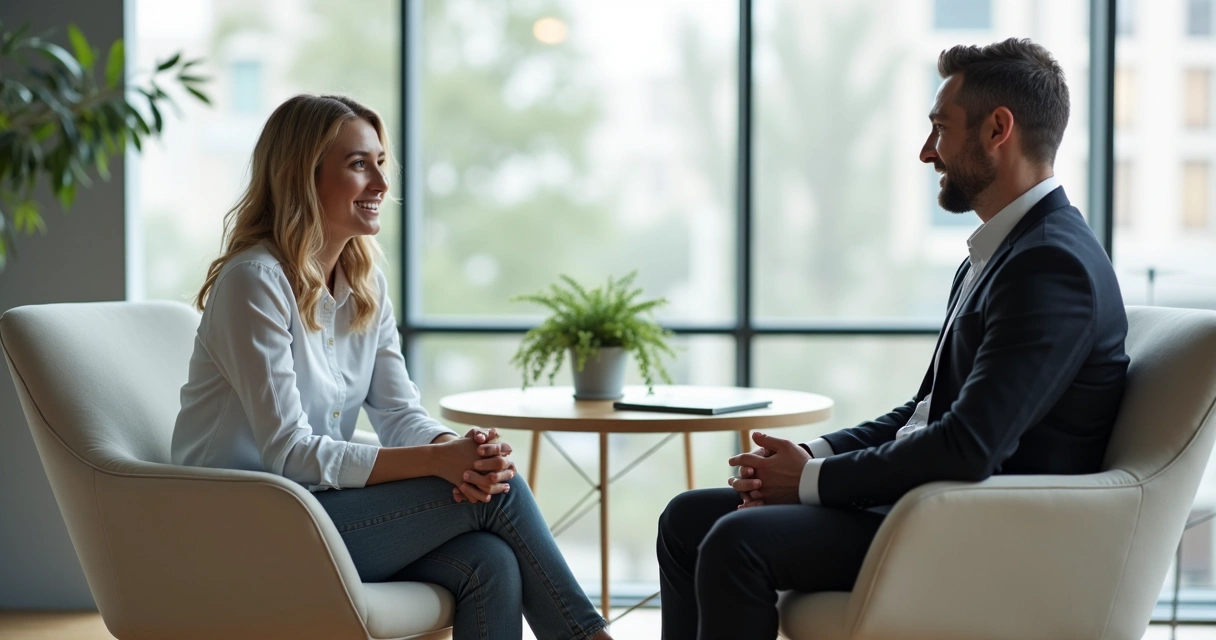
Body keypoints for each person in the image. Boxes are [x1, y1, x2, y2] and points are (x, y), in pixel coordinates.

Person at [656, 38, 1130, 640]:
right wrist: (814, 456)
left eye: (940, 129)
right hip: (925, 505)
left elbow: (968, 447)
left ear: (997, 130)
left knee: (736, 541)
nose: (927, 152)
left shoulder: (1050, 266)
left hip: (980, 528)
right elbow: (925, 411)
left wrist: (806, 483)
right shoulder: (999, 253)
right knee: (685, 520)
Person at [171, 94, 611, 640]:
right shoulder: (254, 282)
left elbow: (400, 413)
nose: (381, 183)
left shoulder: (364, 285)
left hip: (317, 513)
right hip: (247, 527)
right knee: (501, 493)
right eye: (359, 165)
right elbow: (289, 454)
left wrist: (460, 450)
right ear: (302, 177)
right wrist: (438, 461)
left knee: (490, 560)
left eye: (380, 162)